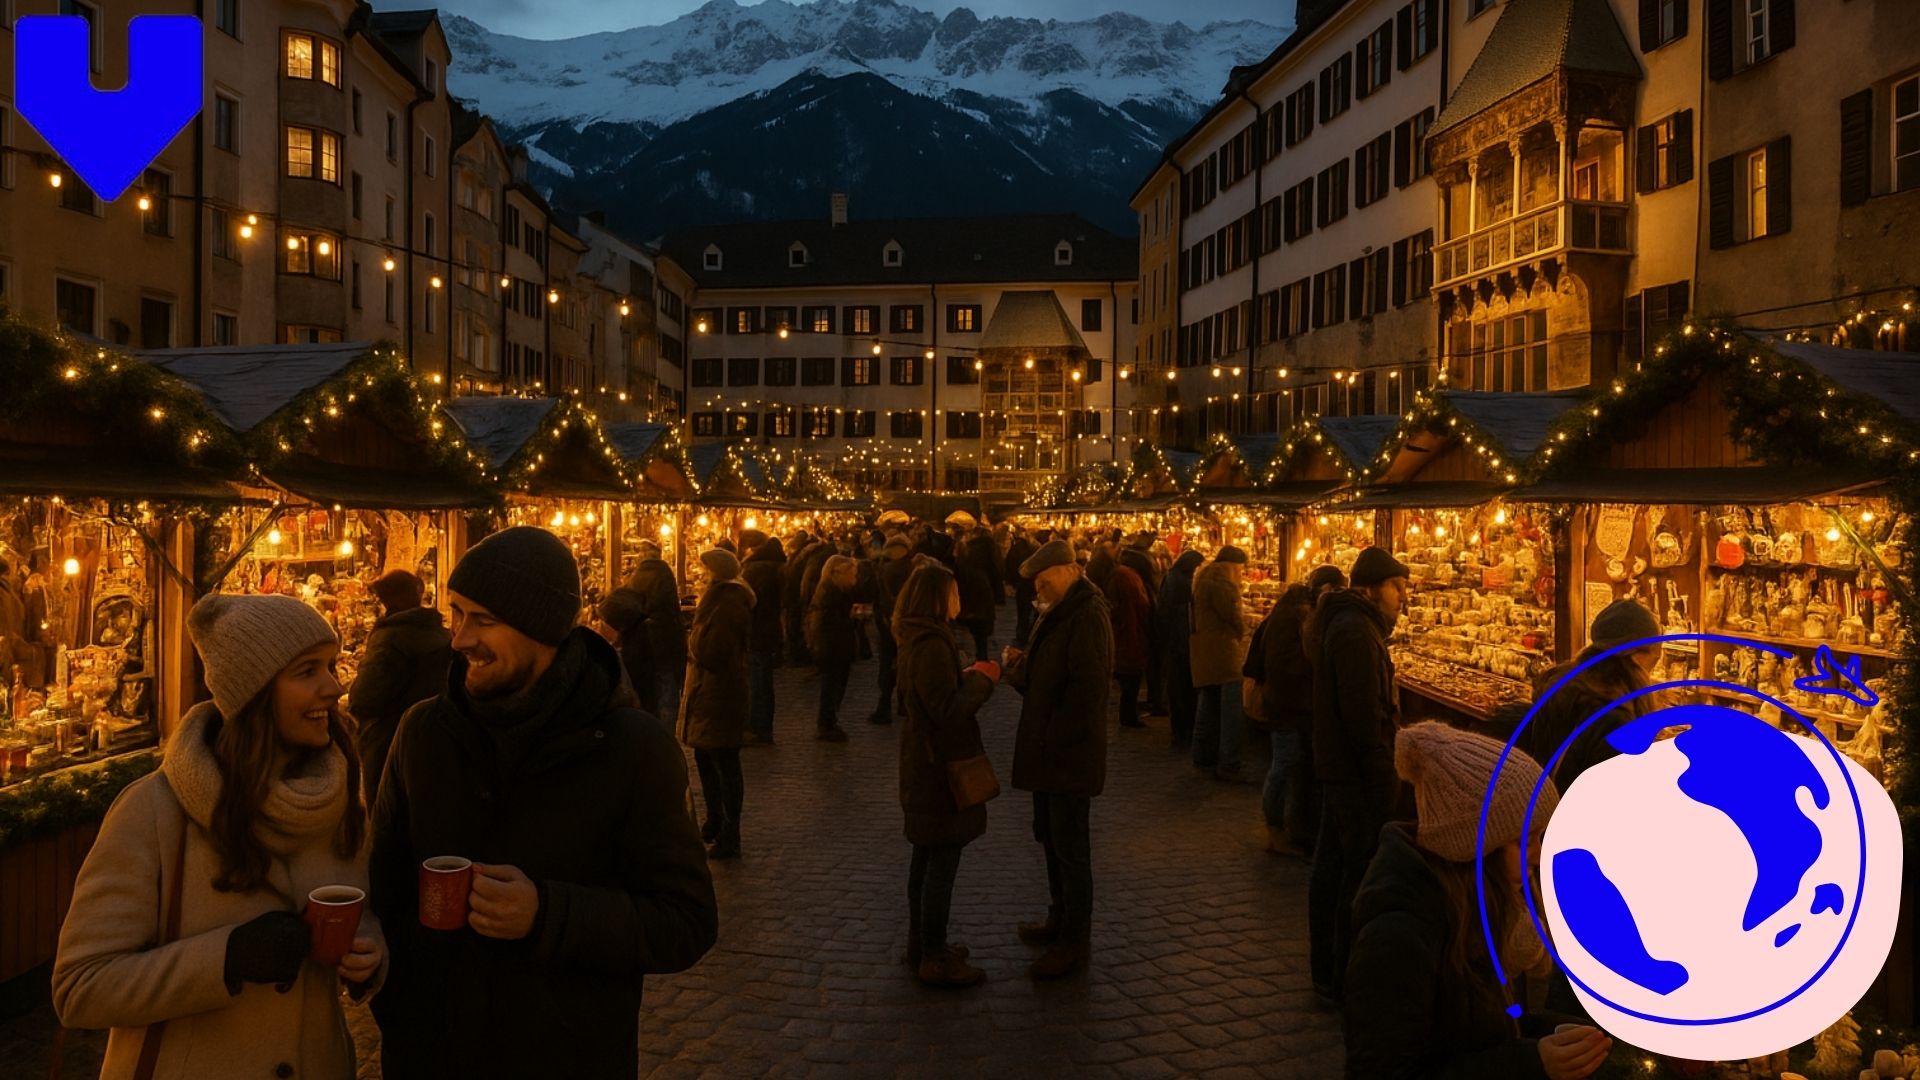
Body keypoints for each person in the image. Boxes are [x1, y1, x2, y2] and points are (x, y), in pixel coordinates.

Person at [369, 526, 717, 1078]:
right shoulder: (422, 732)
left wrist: (548, 914)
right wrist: (382, 973)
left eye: (483, 620)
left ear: (543, 628)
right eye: (456, 614)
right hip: (430, 1055)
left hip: (565, 1057)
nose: (459, 639)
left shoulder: (634, 748)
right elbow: (383, 884)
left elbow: (685, 921)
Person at [53, 593, 385, 1077]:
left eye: (331, 666)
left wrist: (368, 954)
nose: (334, 687)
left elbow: (361, 915)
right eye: (308, 671)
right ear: (254, 691)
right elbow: (79, 988)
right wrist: (227, 959)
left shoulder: (337, 801)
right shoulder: (154, 812)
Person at [1345, 722, 1611, 1080]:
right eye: (1524, 840)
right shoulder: (1398, 933)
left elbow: (1486, 1026)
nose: (1538, 854)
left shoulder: (1488, 906)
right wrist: (1531, 1062)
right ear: (1477, 847)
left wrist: (1554, 1032)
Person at [1003, 539, 1113, 979]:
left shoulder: (1086, 616)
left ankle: (1073, 940)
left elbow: (1087, 689)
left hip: (1067, 753)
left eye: (1044, 583)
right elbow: (1049, 674)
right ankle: (1059, 917)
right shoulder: (1059, 611)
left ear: (1068, 571)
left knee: (1070, 849)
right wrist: (1023, 667)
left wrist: (1058, 738)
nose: (1040, 592)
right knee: (1051, 839)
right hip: (1049, 750)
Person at [1306, 546, 1411, 1004]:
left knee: (1334, 865)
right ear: (1370, 589)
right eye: (1396, 587)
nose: (1402, 597)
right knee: (1351, 870)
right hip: (1354, 773)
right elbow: (1362, 715)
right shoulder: (1354, 632)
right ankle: (1342, 972)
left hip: (1340, 767)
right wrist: (1381, 772)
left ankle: (1330, 970)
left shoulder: (1353, 625)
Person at [893, 561, 1002, 987]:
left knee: (926, 858)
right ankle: (933, 956)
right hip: (937, 768)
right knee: (939, 863)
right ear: (938, 597)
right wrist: (983, 680)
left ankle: (922, 945)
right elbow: (946, 709)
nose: (959, 599)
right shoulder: (932, 644)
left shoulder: (916, 636)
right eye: (954, 592)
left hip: (923, 762)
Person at [1253, 564, 1345, 856]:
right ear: (1327, 589)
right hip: (1289, 705)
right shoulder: (1302, 616)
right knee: (1285, 766)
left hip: (1283, 702)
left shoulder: (1289, 609)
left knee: (1290, 766)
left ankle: (1288, 828)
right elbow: (1303, 661)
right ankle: (1276, 830)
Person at [1527, 598, 1662, 791]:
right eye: (1655, 651)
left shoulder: (1563, 685)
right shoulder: (1615, 717)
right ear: (1635, 654)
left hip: (1547, 799)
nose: (1656, 659)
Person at [349, 569, 456, 806]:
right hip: (432, 735)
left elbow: (366, 696)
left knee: (386, 807)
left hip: (388, 739)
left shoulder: (390, 638)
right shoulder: (440, 634)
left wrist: (353, 705)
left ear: (389, 600)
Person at [681, 548, 754, 860]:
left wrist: (693, 642)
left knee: (724, 762)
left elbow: (714, 652)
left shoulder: (726, 605)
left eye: (704, 571)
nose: (699, 577)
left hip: (719, 693)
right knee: (706, 757)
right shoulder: (720, 602)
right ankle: (715, 821)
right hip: (710, 691)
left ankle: (729, 831)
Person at [599, 540, 687, 719]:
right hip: (668, 646)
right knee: (667, 694)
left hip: (642, 650)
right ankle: (665, 730)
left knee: (647, 695)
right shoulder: (665, 576)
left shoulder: (640, 579)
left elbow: (619, 606)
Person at [1190, 546, 1252, 781]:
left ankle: (1202, 756)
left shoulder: (1204, 579)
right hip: (1223, 651)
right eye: (1240, 569)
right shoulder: (1221, 584)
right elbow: (1231, 615)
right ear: (1231, 566)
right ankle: (1229, 763)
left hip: (1205, 651)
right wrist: (1243, 630)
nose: (1241, 574)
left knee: (1207, 705)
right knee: (1231, 711)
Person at [1095, 544, 1152, 730]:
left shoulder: (1119, 576)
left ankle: (1128, 713)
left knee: (1130, 676)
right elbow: (1134, 607)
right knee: (1131, 677)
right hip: (1129, 633)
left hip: (1127, 632)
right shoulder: (1126, 578)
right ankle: (1128, 714)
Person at [806, 554, 862, 742]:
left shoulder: (836, 591)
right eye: (851, 574)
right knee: (832, 686)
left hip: (835, 645)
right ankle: (826, 723)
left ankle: (829, 721)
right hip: (832, 646)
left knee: (834, 685)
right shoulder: (831, 594)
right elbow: (827, 623)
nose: (854, 579)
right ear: (837, 573)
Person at [739, 531, 786, 745]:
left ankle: (757, 727)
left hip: (757, 632)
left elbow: (748, 602)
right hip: (768, 631)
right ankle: (763, 726)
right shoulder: (774, 566)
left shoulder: (756, 570)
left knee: (757, 681)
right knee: (763, 681)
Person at [1157, 550, 1203, 751]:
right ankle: (1184, 731)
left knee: (1178, 688)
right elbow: (1182, 616)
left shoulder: (1172, 577)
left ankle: (1180, 730)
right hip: (1180, 643)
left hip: (1173, 642)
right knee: (1183, 688)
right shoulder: (1181, 584)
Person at [869, 534, 914, 725]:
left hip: (889, 622)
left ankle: (885, 705)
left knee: (887, 664)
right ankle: (904, 703)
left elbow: (878, 596)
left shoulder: (885, 568)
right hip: (907, 623)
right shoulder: (913, 568)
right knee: (905, 663)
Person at [1120, 534, 1166, 715]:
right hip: (1138, 630)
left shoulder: (1129, 572)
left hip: (1136, 630)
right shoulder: (1136, 579)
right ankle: (1145, 705)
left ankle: (1146, 703)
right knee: (1148, 665)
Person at [955, 527, 1001, 662]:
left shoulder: (967, 553)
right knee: (981, 638)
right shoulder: (992, 550)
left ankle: (974, 661)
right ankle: (982, 661)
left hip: (970, 598)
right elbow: (997, 571)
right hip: (983, 596)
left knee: (970, 635)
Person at [783, 531, 818, 664]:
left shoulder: (802, 556)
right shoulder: (804, 555)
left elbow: (796, 575)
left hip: (796, 596)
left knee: (796, 626)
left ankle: (798, 654)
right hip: (796, 595)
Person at [1004, 529, 1040, 646]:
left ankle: (1021, 634)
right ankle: (1031, 634)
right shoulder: (1035, 548)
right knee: (1033, 611)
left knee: (1022, 612)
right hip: (1032, 583)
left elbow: (1009, 564)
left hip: (1021, 583)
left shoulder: (1016, 548)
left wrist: (1011, 581)